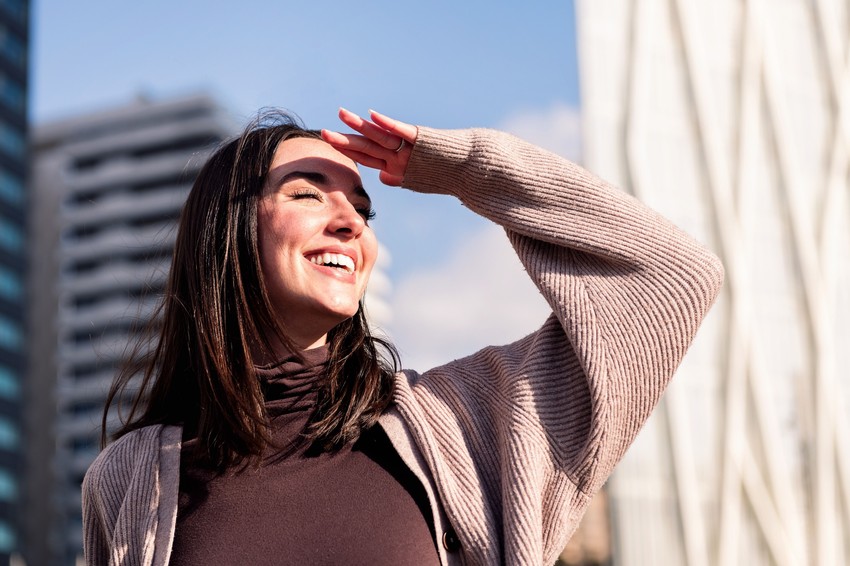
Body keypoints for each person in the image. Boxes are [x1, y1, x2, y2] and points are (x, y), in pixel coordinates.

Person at [82, 108, 724, 566]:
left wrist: (469, 171)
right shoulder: (133, 480)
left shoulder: (460, 426)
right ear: (226, 234)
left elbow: (673, 275)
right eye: (308, 193)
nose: (348, 222)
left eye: (363, 210)